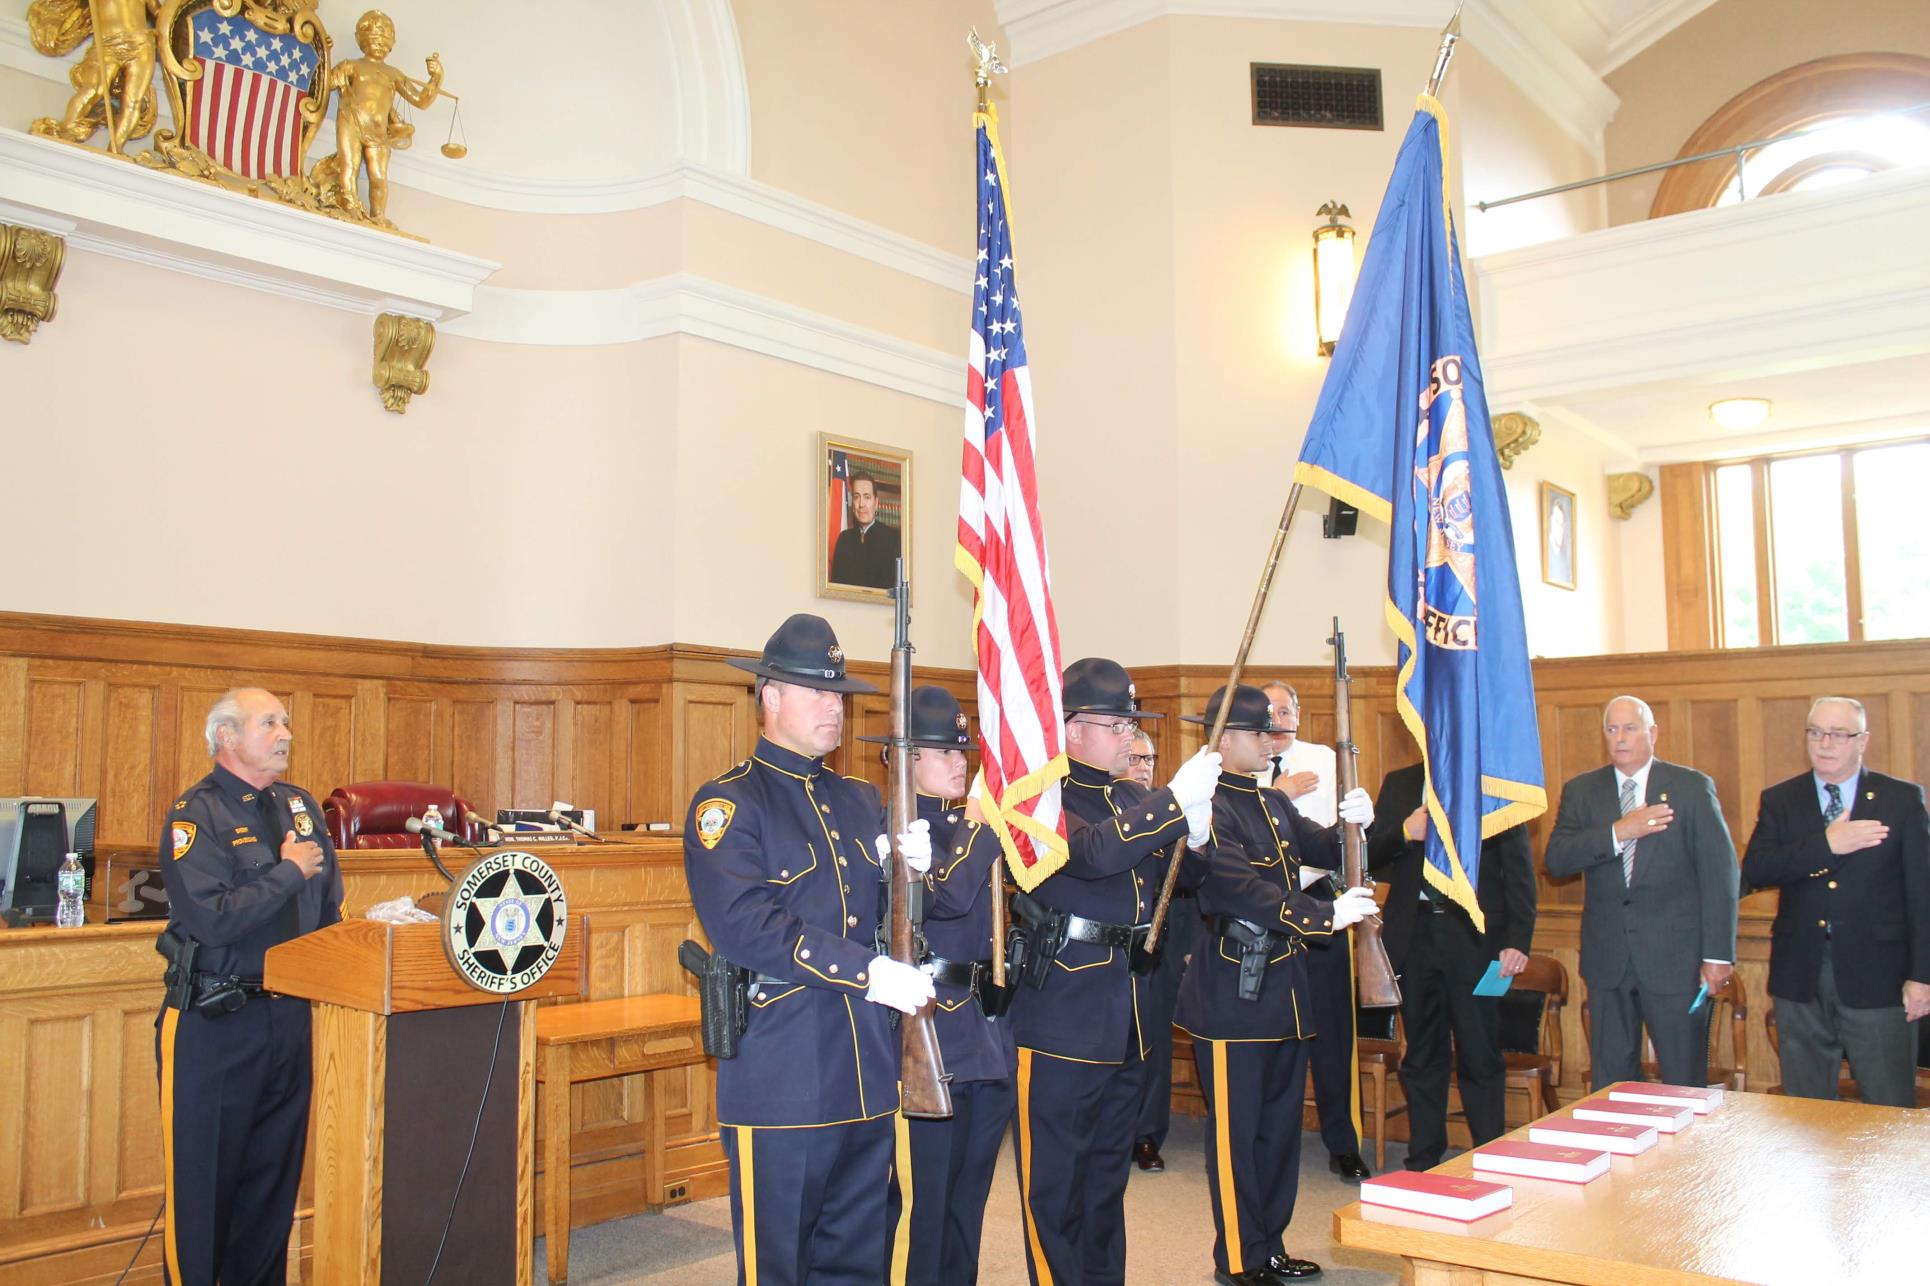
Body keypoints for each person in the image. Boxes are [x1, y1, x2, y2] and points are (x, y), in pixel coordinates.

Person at [683, 613, 935, 1285]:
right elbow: (749, 927)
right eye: (819, 692)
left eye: (840, 694)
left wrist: (918, 876)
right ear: (770, 696)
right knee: (781, 1269)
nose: (836, 707)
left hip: (867, 1076)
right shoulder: (730, 806)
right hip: (784, 1079)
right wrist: (868, 970)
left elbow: (899, 925)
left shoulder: (858, 800)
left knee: (859, 1264)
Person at [1009, 657, 1221, 1286]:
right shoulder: (1038, 799)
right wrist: (1172, 804)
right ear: (1072, 728)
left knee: (1105, 1179)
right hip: (1063, 1010)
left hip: (1127, 1011)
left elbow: (1185, 884)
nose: (1130, 734)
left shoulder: (1132, 796)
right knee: (1054, 1182)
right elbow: (1094, 855)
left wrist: (1199, 833)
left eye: (1133, 722)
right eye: (1115, 723)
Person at [1174, 684, 1379, 1285]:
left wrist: (1355, 827)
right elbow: (1238, 888)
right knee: (1237, 1139)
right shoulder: (1207, 808)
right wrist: (1323, 916)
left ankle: (1269, 1245)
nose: (1272, 740)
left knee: (1278, 1135)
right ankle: (1238, 1257)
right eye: (1259, 732)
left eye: (1272, 730)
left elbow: (1321, 849)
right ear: (1225, 739)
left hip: (1286, 993)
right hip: (1234, 994)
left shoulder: (1270, 802)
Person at [156, 688, 343, 1286]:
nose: (285, 732)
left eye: (286, 721)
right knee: (204, 1185)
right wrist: (287, 872)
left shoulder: (299, 807)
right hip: (216, 1022)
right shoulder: (196, 814)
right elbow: (212, 916)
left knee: (272, 1187)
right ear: (226, 737)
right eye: (269, 722)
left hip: (288, 1019)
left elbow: (329, 905)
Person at [875, 686, 1015, 1286]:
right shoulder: (893, 832)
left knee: (967, 1204)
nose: (962, 762)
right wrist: (984, 829)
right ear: (907, 760)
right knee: (921, 1207)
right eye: (945, 752)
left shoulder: (966, 826)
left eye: (965, 751)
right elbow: (943, 901)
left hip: (983, 1035)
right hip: (927, 1034)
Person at [1740, 697, 1930, 1108]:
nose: (1824, 743)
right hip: (1800, 972)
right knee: (1807, 1111)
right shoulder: (1781, 799)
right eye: (1815, 732)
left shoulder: (1901, 799)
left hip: (1879, 976)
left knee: (1887, 1107)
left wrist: (1922, 976)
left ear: (1863, 741)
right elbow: (1756, 870)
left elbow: (1922, 894)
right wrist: (1825, 845)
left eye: (1838, 734)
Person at [1545, 694, 1739, 1089]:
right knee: (1612, 1084)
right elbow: (1557, 859)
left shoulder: (1689, 787)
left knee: (1683, 1079)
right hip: (1608, 961)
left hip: (1676, 961)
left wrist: (1718, 955)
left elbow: (1721, 875)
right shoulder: (1583, 790)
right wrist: (1620, 832)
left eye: (1630, 728)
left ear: (1652, 733)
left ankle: (1686, 1154)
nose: (1620, 738)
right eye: (1612, 729)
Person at [1367, 758, 1537, 1169]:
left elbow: (1518, 871)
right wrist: (1406, 833)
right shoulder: (1400, 781)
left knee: (1479, 1050)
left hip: (1476, 938)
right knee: (1422, 1052)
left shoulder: (1492, 783)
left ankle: (1487, 1153)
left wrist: (1518, 940)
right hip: (1414, 934)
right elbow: (1370, 855)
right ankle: (1424, 1154)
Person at [1256, 681, 1368, 1181]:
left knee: (1332, 1031)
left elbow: (1333, 839)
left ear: (1298, 714)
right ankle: (1266, 1141)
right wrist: (1276, 797)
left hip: (1320, 900)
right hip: (1260, 909)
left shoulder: (1326, 759)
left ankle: (1343, 1141)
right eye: (1267, 712)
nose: (1276, 721)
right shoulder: (1240, 766)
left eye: (1284, 710)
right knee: (1268, 1030)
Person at [1115, 728, 1191, 1173]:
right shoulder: (1109, 807)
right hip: (1112, 945)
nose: (1144, 768)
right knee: (1115, 1042)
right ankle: (1115, 1130)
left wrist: (1188, 947)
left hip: (1160, 945)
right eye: (1136, 759)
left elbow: (1190, 886)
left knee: (1152, 1045)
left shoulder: (1168, 807)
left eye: (1150, 759)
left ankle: (1146, 1135)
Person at [317, 10, 446, 221]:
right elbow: (326, 83)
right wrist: (326, 52)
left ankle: (378, 217)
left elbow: (421, 100)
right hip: (351, 122)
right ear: (362, 40)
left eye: (383, 40)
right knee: (349, 165)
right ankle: (351, 210)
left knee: (378, 176)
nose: (378, 44)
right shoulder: (351, 65)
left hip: (379, 133)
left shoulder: (393, 74)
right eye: (373, 39)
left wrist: (436, 78)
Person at [829, 473, 902, 589]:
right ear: (852, 503)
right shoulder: (844, 539)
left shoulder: (892, 539)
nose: (861, 504)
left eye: (867, 497)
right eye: (856, 497)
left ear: (876, 503)